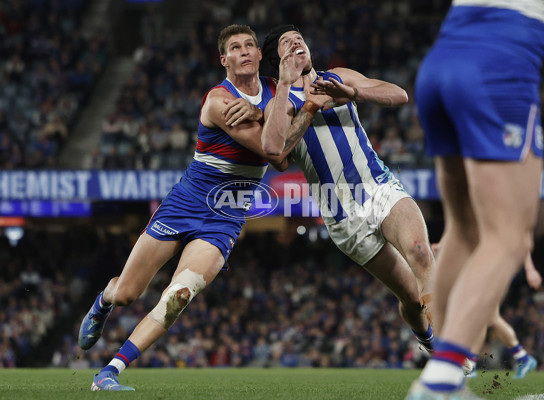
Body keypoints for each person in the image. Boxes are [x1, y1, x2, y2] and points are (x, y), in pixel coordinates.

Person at [76, 24, 326, 391]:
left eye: (250, 46)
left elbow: (282, 158)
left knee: (180, 294)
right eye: (235, 48)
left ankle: (110, 371)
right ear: (223, 60)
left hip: (225, 216)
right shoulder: (217, 101)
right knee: (128, 293)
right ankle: (104, 300)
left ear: (259, 55)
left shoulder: (276, 91)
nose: (244, 51)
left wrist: (264, 113)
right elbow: (274, 150)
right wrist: (276, 115)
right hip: (185, 203)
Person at [408, 1, 544, 398]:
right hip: (496, 70)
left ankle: (443, 372)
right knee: (509, 239)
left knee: (463, 231)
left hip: (436, 69)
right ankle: (443, 380)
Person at [259, 25, 436, 355]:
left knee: (421, 252)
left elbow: (399, 95)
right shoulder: (278, 104)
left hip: (379, 187)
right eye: (287, 43)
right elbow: (275, 153)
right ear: (278, 60)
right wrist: (304, 101)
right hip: (343, 216)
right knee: (411, 298)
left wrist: (352, 94)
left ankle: (450, 349)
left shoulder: (336, 76)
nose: (297, 42)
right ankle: (427, 339)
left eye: (299, 37)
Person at [431, 244, 541, 379]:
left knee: (489, 316)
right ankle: (521, 359)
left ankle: (521, 359)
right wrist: (443, 244)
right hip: (485, 265)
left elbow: (521, 238)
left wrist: (530, 269)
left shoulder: (502, 225)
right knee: (486, 316)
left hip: (497, 265)